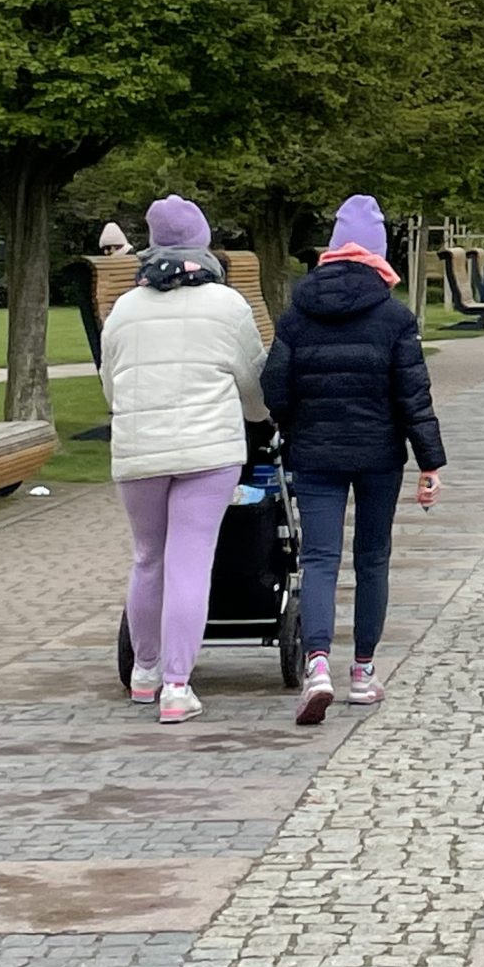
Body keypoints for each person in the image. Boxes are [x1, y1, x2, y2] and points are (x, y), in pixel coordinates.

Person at [262, 194, 447, 725]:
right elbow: (413, 395)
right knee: (372, 560)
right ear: (379, 253)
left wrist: (291, 421)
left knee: (318, 559)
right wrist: (429, 462)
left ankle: (317, 663)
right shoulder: (393, 317)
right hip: (378, 453)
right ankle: (363, 672)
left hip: (314, 450)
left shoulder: (298, 311)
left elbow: (275, 383)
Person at [100, 197, 269, 725]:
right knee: (190, 560)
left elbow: (111, 387)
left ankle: (144, 672)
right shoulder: (227, 305)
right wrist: (259, 417)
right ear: (204, 243)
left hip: (139, 449)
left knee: (148, 558)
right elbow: (254, 388)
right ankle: (177, 684)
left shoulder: (125, 308)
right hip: (208, 451)